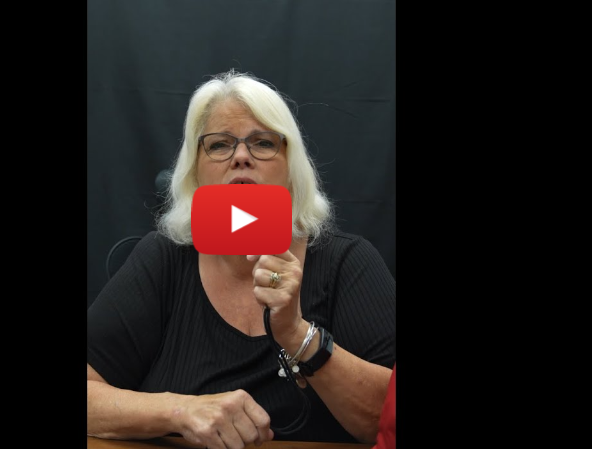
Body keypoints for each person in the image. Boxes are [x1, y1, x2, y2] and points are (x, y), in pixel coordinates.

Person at [87, 70, 396, 447]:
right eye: (219, 145)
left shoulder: (348, 262)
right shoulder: (163, 258)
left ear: (291, 169)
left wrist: (298, 335)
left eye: (263, 143)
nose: (241, 157)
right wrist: (178, 411)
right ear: (195, 172)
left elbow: (388, 421)